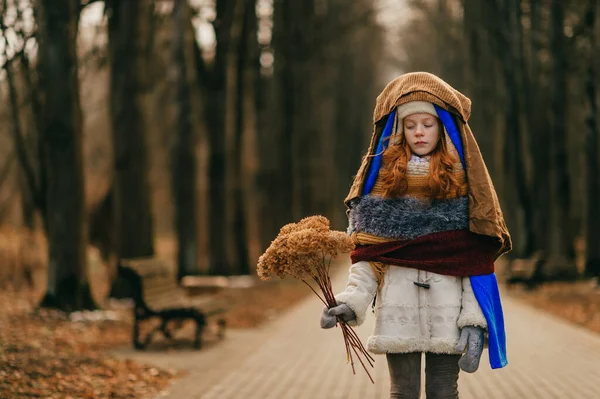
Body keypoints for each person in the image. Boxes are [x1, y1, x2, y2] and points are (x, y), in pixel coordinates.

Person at [320, 72, 511, 399]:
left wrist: (473, 321)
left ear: (442, 127)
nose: (419, 132)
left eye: (428, 123)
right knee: (403, 392)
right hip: (399, 314)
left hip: (448, 314)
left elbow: (472, 263)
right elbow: (370, 260)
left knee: (443, 392)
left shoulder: (463, 190)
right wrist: (350, 303)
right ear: (399, 129)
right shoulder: (382, 187)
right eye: (411, 125)